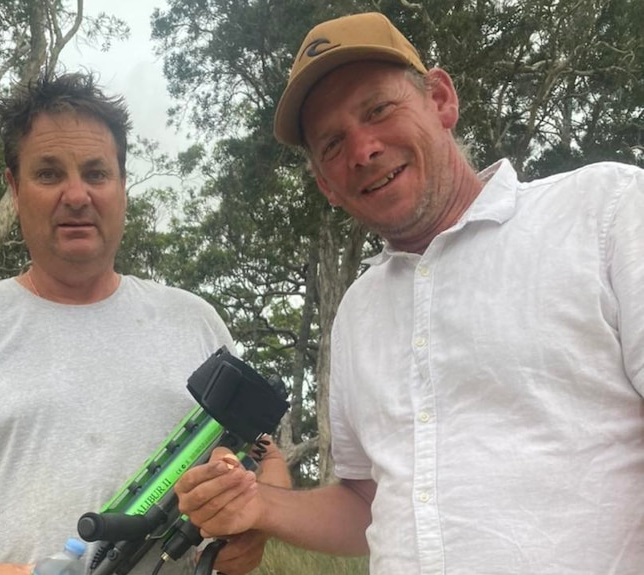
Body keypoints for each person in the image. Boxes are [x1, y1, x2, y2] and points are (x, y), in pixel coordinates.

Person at [174, 12, 644, 575]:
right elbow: (366, 507)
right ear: (326, 184)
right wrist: (256, 503)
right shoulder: (357, 310)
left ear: (441, 99)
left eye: (378, 109)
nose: (363, 149)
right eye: (332, 144)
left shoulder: (606, 209)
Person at [0, 72, 287, 575]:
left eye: (96, 173)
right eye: (48, 174)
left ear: (122, 185)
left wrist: (256, 523)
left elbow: (264, 453)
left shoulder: (195, 321)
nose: (77, 194)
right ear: (15, 189)